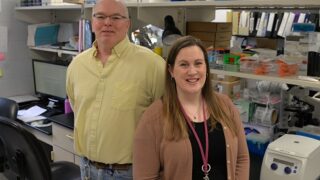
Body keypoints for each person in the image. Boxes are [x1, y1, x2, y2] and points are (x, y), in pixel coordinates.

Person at [66, 0, 166, 179]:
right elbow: (77, 107)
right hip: (87, 169)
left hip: (130, 172)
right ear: (92, 21)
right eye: (101, 16)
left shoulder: (153, 66)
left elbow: (168, 121)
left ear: (127, 24)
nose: (107, 23)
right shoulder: (77, 65)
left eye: (116, 17)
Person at [133, 36, 250, 180]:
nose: (192, 71)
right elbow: (145, 177)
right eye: (184, 64)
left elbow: (242, 158)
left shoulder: (225, 106)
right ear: (171, 70)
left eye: (198, 63)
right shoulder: (153, 119)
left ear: (206, 68)